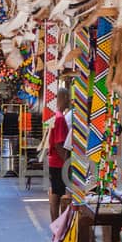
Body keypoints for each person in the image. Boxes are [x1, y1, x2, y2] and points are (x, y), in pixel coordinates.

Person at [47, 87, 74, 221]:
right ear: (62, 98)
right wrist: (67, 162)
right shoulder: (60, 118)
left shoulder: (55, 116)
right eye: (68, 98)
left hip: (53, 161)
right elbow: (59, 144)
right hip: (58, 162)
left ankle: (56, 224)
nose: (69, 101)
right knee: (61, 194)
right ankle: (59, 225)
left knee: (55, 192)